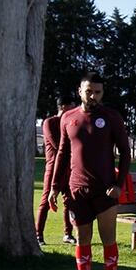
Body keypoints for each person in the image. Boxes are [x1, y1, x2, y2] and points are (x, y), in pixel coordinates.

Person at [49, 72, 132, 270]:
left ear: (102, 93)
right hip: (77, 192)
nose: (93, 96)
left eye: (97, 92)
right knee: (83, 239)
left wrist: (118, 184)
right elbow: (62, 154)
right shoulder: (68, 118)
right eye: (89, 91)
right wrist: (55, 187)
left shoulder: (111, 117)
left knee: (108, 240)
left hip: (105, 191)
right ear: (80, 91)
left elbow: (125, 152)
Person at [36, 95, 77, 246]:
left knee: (70, 202)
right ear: (64, 107)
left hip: (69, 169)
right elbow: (58, 145)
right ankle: (38, 234)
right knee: (46, 200)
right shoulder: (50, 122)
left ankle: (68, 234)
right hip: (53, 169)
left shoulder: (70, 123)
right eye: (72, 106)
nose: (75, 110)